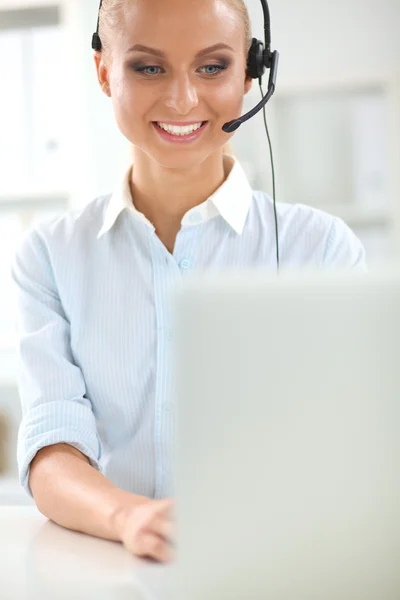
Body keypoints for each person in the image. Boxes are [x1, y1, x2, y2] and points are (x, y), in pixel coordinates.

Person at [11, 0, 366, 566]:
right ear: (104, 71)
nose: (181, 100)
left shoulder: (320, 250)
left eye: (212, 67)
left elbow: (342, 449)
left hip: (272, 565)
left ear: (252, 73)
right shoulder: (50, 256)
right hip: (107, 569)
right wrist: (131, 518)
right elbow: (52, 448)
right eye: (148, 67)